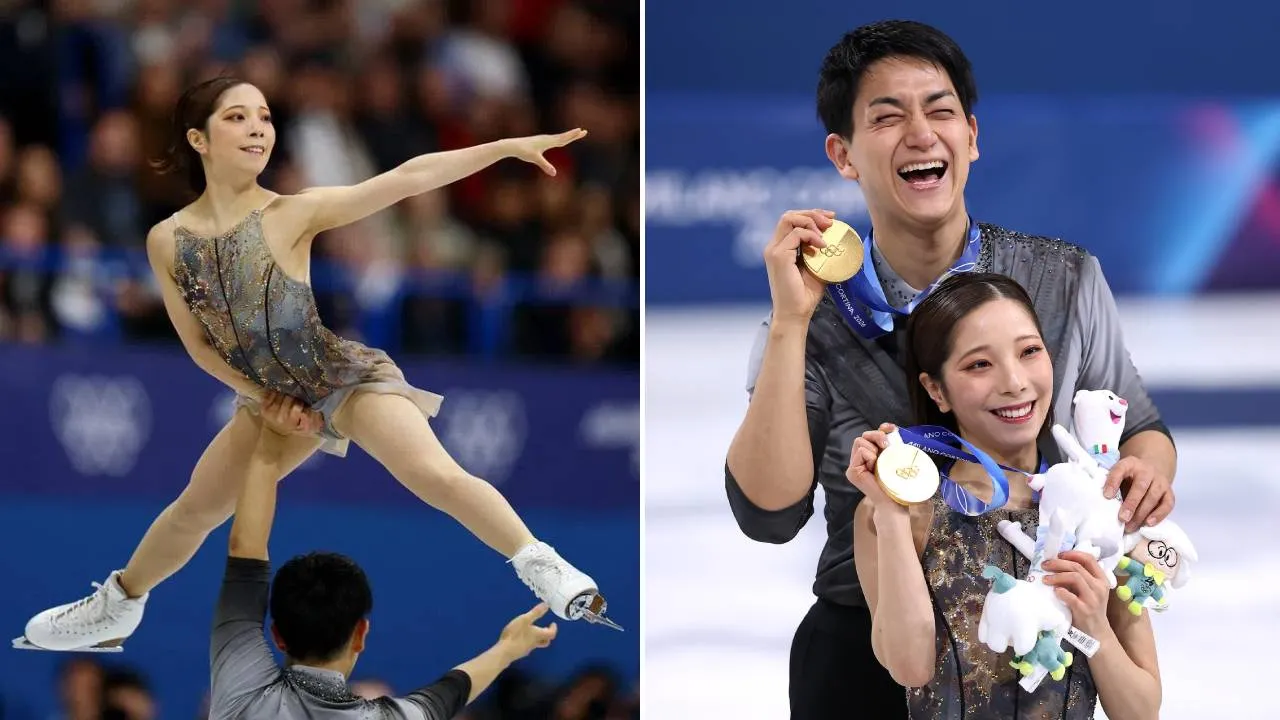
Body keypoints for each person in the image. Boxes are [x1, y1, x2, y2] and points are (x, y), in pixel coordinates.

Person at [15, 76, 617, 654]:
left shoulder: (293, 212)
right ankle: (117, 605)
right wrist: (263, 400)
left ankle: (542, 563)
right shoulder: (167, 239)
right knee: (195, 509)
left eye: (266, 117)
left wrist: (504, 147)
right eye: (237, 117)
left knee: (434, 473)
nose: (257, 128)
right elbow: (199, 345)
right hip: (269, 397)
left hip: (340, 377)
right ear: (198, 139)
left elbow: (409, 177)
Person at [723, 20, 1177, 719]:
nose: (920, 132)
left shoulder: (1064, 279)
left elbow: (1141, 430)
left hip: (1040, 639)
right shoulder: (808, 312)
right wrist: (790, 325)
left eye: (939, 110)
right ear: (842, 154)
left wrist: (1147, 472)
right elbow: (768, 512)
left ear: (971, 135)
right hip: (865, 654)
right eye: (888, 115)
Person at [848, 272, 1161, 719]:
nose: (1014, 381)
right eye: (979, 364)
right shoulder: (903, 514)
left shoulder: (1099, 508)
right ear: (936, 389)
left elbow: (1142, 710)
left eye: (1029, 352)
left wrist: (1094, 625)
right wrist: (892, 514)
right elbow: (910, 666)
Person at [208, 393, 558, 720]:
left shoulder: (242, 688)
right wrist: (507, 650)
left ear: (278, 635)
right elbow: (447, 694)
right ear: (361, 633)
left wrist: (271, 441)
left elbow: (245, 550)